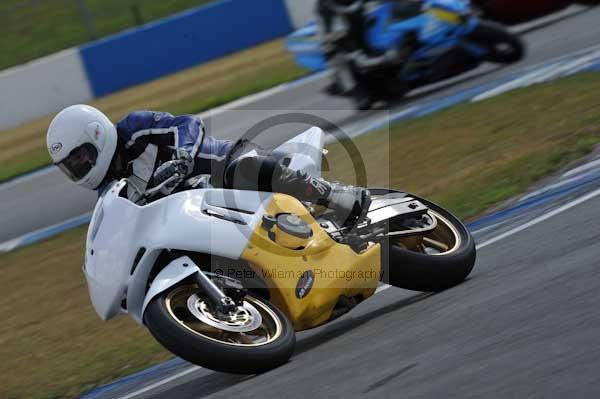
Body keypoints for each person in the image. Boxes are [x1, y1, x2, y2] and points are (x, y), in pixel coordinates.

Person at [46, 105, 371, 225]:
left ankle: (335, 195)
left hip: (225, 165)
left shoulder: (133, 129)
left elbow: (186, 124)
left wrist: (182, 157)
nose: (80, 166)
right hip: (199, 209)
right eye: (71, 165)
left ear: (97, 135)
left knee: (242, 169)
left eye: (80, 156)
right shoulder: (110, 191)